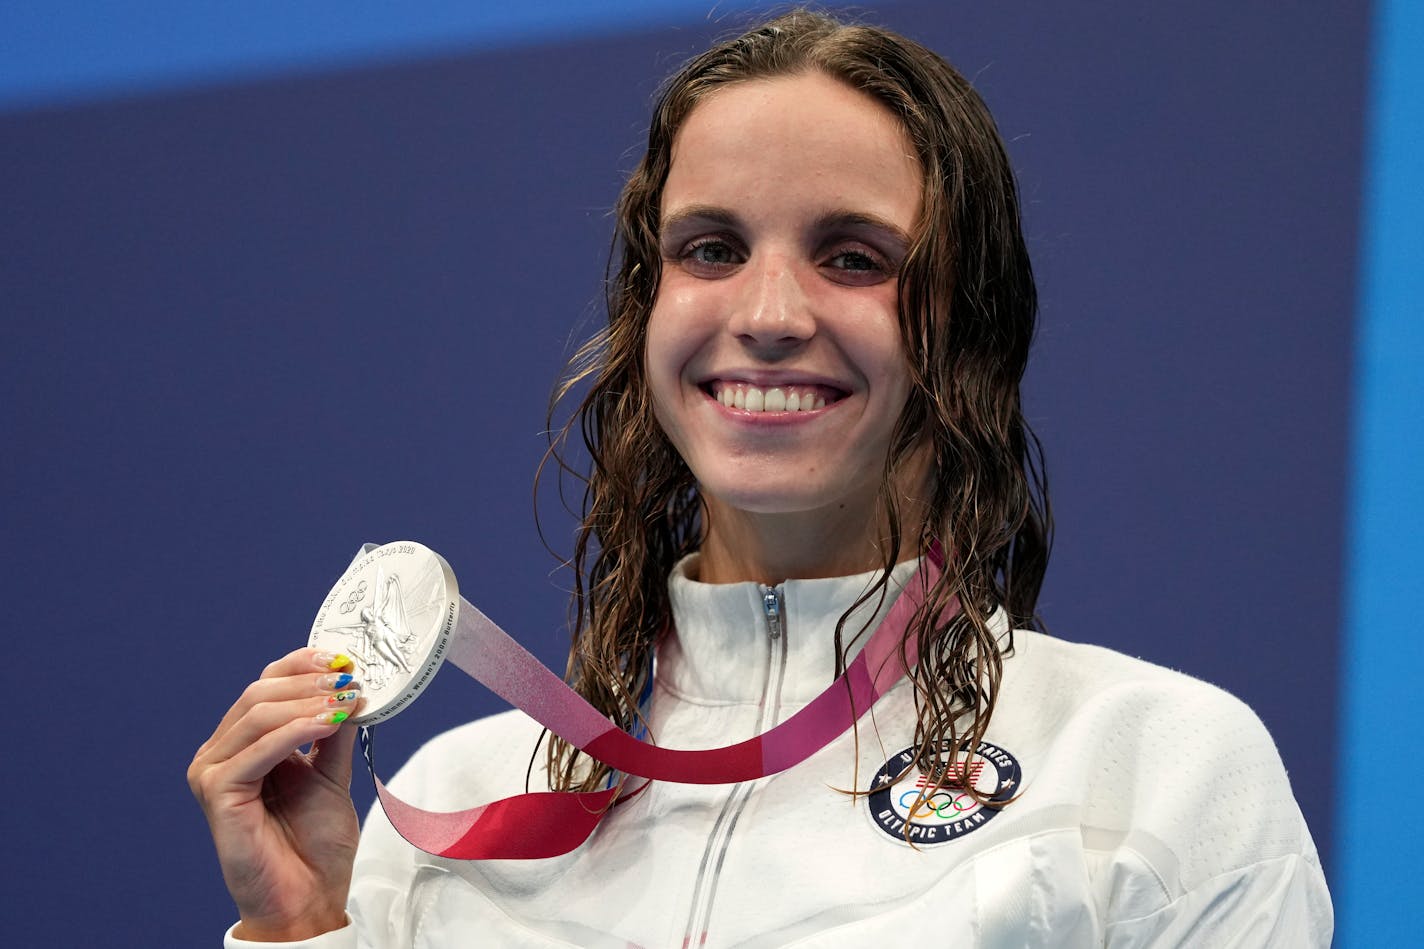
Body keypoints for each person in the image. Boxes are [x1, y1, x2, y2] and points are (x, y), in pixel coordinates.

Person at [189, 9, 1332, 946]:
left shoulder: (1149, 768)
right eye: (710, 249)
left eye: (852, 257)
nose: (769, 316)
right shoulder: (448, 807)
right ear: (647, 308)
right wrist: (308, 929)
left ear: (967, 327)